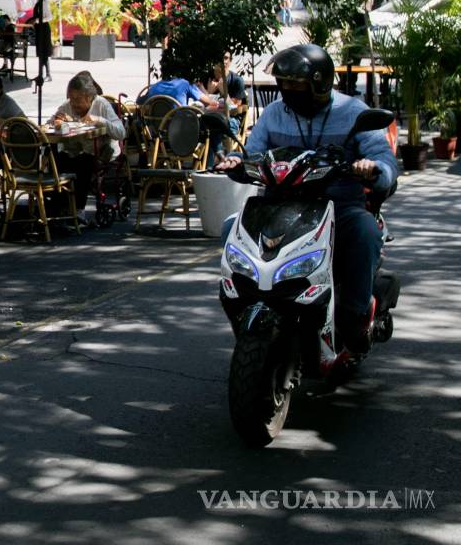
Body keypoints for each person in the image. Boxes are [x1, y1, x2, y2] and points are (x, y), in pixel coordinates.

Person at [216, 44, 398, 354]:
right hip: (278, 206)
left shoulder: (352, 112)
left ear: (319, 83)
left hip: (337, 207)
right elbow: (253, 150)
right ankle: (245, 307)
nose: (288, 91)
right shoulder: (275, 114)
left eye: (296, 85)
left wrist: (373, 168)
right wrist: (235, 161)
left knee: (366, 234)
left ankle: (354, 315)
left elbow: (385, 162)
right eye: (284, 84)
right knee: (229, 228)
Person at [50, 73, 126, 212]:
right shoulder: (68, 105)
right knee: (56, 160)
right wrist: (58, 122)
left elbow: (121, 132)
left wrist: (99, 121)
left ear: (89, 97)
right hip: (75, 151)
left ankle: (79, 209)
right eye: (71, 98)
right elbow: (50, 123)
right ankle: (58, 205)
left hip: (101, 152)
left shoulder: (101, 105)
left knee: (83, 162)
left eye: (78, 99)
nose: (73, 103)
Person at [145, 73, 221, 109]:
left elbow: (140, 104)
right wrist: (204, 89)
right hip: (181, 130)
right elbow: (210, 103)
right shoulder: (185, 84)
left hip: (156, 132)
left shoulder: (153, 88)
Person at [31, 0, 53, 81]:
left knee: (44, 52)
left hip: (44, 29)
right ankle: (41, 74)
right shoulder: (37, 1)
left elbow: (49, 17)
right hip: (39, 29)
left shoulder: (44, 1)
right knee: (40, 52)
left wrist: (37, 21)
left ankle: (48, 75)